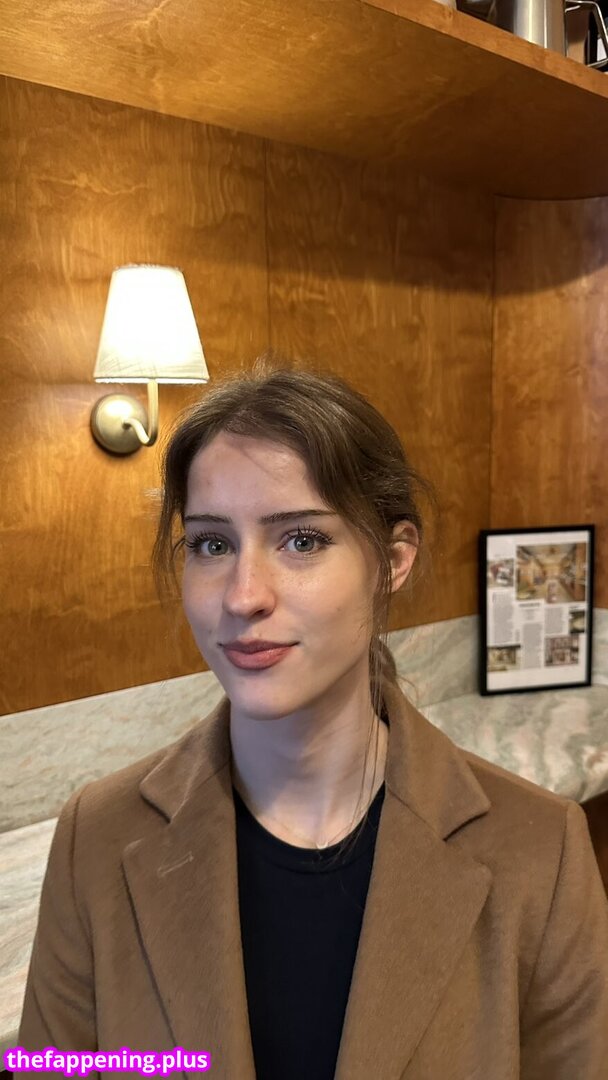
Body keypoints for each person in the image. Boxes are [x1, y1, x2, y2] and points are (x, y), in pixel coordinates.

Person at [16, 356, 608, 1079]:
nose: (244, 596)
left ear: (393, 560)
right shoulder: (97, 838)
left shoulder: (539, 851)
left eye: (301, 540)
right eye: (211, 544)